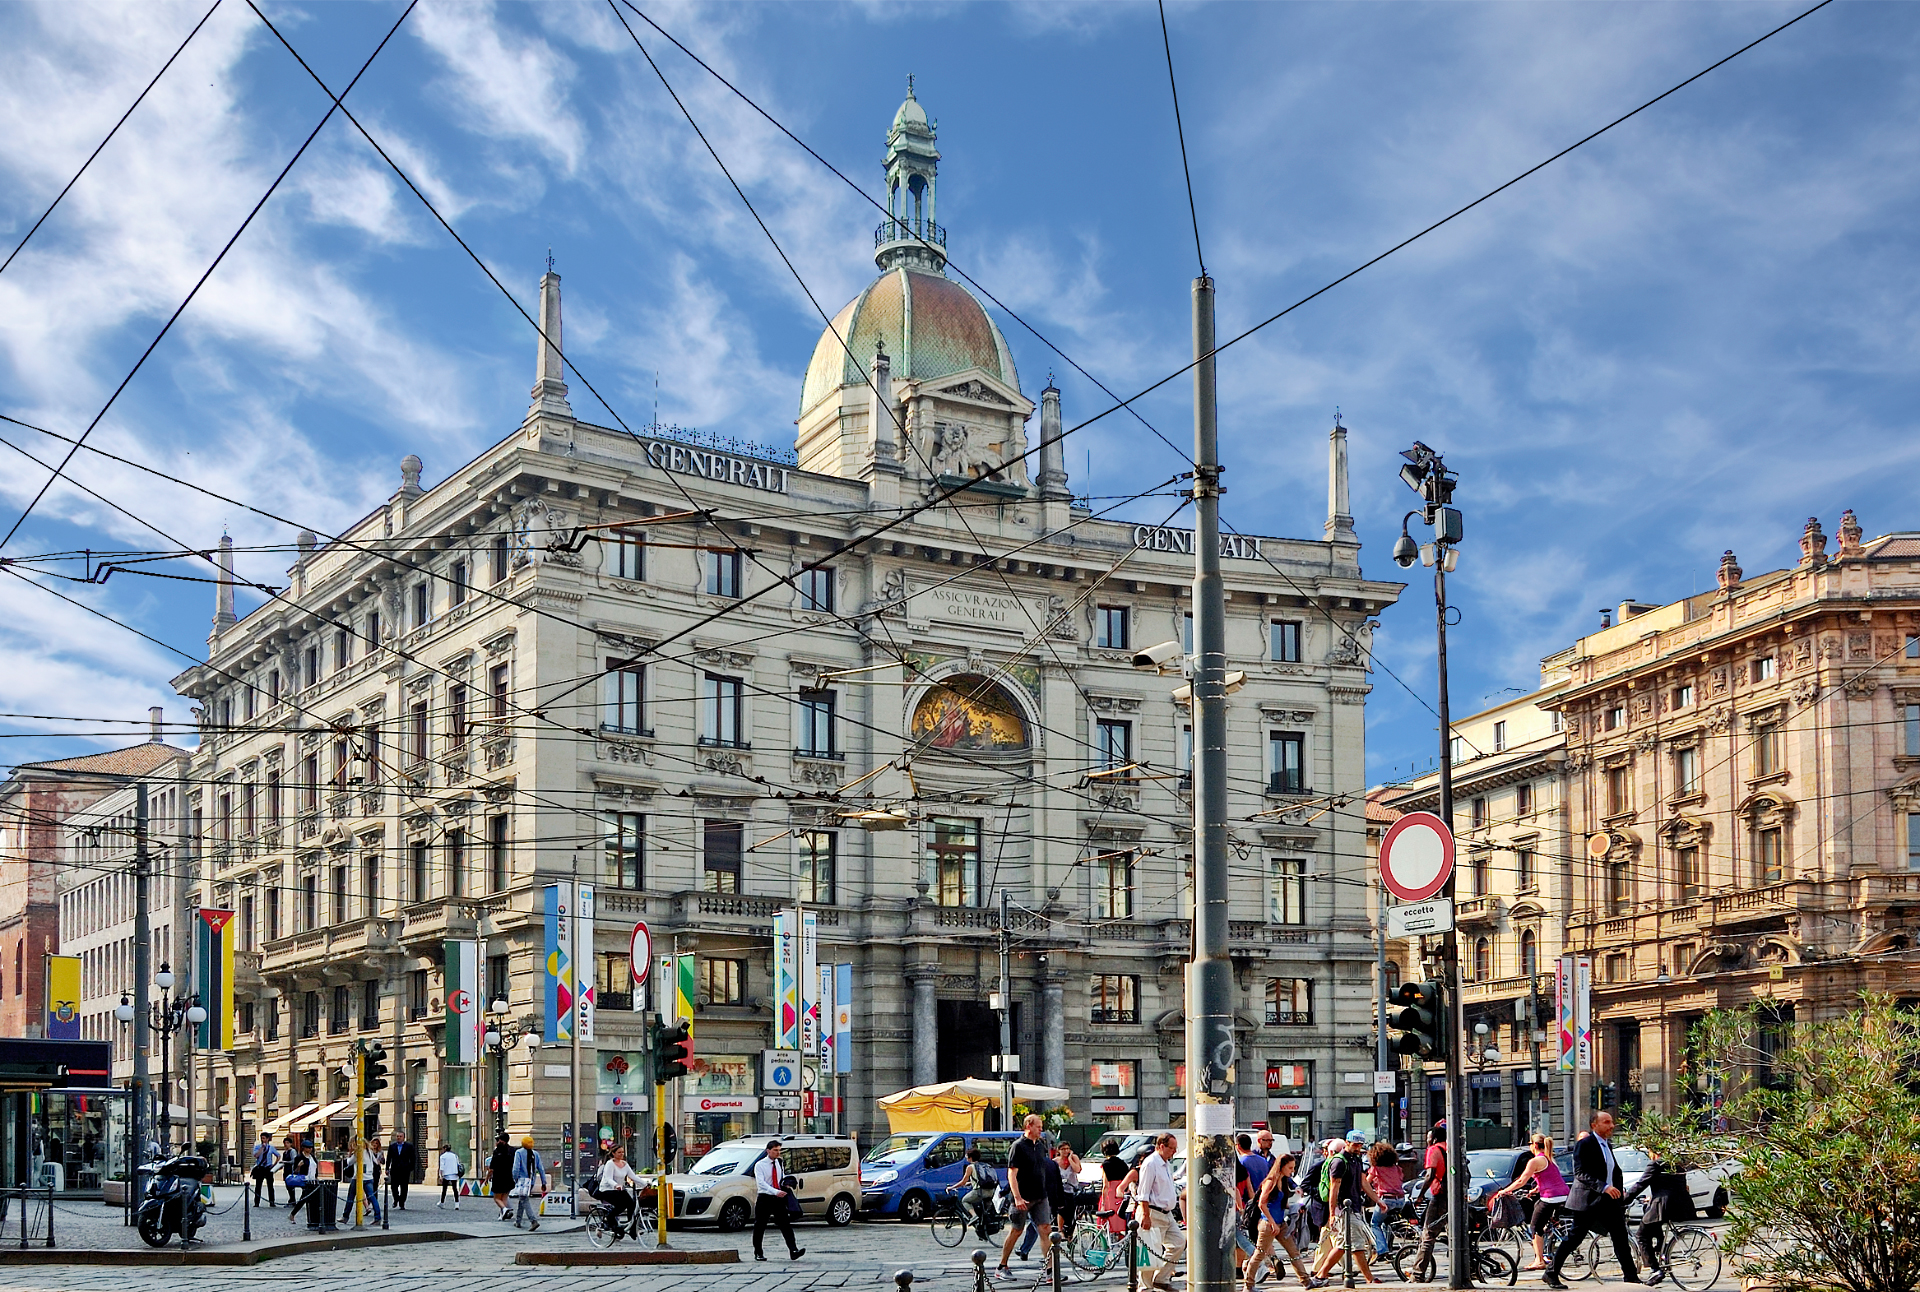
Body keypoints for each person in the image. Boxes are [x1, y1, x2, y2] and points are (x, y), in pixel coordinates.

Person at [1544, 1109, 1641, 1289]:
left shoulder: (1607, 1145)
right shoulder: (1585, 1144)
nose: (1611, 1126)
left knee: (1620, 1237)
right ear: (1594, 1125)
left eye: (1611, 1122)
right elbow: (1580, 1173)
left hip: (1609, 1202)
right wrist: (1604, 1187)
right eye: (1606, 1122)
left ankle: (1631, 1276)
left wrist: (1620, 1193)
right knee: (1574, 1238)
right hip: (1588, 1201)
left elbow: (1613, 1172)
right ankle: (1551, 1273)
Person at [1490, 1134, 1569, 1271]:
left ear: (1535, 1145)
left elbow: (1521, 1181)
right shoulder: (1549, 1158)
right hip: (1562, 1195)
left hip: (1551, 1197)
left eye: (1530, 1144)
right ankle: (1549, 1237)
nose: (1530, 1147)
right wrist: (1536, 1189)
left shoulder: (1535, 1161)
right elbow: (1550, 1178)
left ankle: (1539, 1260)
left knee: (1535, 1226)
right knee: (1538, 1209)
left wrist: (1504, 1191)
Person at [1311, 1131, 1381, 1285]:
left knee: (1343, 1245)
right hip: (1344, 1210)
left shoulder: (1356, 1160)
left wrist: (1378, 1200)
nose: (1357, 1148)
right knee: (1355, 1245)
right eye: (1355, 1144)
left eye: (1360, 1145)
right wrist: (1332, 1213)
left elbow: (1363, 1182)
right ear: (1347, 1142)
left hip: (1354, 1208)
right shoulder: (1339, 1162)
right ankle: (1369, 1278)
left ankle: (1321, 1276)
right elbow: (1333, 1188)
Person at [1621, 1148, 1696, 1284]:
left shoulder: (1655, 1164)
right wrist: (1653, 1197)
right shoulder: (1677, 1163)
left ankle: (1655, 1270)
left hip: (1664, 1205)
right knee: (1653, 1222)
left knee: (1641, 1235)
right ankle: (1661, 1248)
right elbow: (1673, 1185)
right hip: (1681, 1204)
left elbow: (1641, 1184)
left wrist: (1625, 1199)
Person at [1245, 1151, 1312, 1290]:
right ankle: (1248, 1285)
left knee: (1294, 1252)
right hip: (1268, 1224)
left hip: (1280, 1223)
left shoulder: (1283, 1181)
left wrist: (1296, 1206)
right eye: (1290, 1168)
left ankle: (1307, 1282)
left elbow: (1279, 1203)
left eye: (1293, 1168)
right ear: (1281, 1166)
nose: (1292, 1171)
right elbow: (1262, 1204)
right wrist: (1272, 1222)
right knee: (1259, 1254)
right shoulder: (1270, 1182)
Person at [998, 1115, 1055, 1279]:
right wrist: (1017, 1197)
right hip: (1023, 1197)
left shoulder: (1041, 1145)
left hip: (1040, 1195)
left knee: (1045, 1229)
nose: (1041, 1129)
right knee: (1017, 1230)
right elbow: (1011, 1174)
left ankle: (1049, 1270)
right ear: (1029, 1126)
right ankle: (1002, 1265)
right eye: (1038, 1126)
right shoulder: (1018, 1147)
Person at [1136, 1132, 1186, 1292]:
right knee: (1150, 1250)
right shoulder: (1151, 1163)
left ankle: (1161, 1278)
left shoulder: (1165, 1163)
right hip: (1152, 1212)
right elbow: (1143, 1192)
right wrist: (1145, 1215)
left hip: (1167, 1213)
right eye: (1172, 1148)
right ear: (1161, 1146)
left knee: (1179, 1242)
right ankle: (1145, 1287)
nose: (1174, 1151)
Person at [1406, 1126, 1449, 1282]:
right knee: (1457, 1235)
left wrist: (1421, 1195)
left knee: (1428, 1235)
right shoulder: (1452, 1148)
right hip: (1456, 1197)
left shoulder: (1434, 1150)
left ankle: (1417, 1274)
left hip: (1441, 1197)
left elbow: (1430, 1174)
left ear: (1435, 1138)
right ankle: (1470, 1268)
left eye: (1428, 1138)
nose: (1427, 1141)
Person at [751, 1138, 804, 1261]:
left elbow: (780, 1177)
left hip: (778, 1198)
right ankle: (758, 1252)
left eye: (779, 1150)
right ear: (768, 1151)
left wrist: (786, 1183)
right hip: (765, 1197)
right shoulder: (760, 1165)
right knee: (760, 1225)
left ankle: (793, 1250)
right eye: (775, 1150)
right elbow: (761, 1183)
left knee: (785, 1224)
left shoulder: (779, 1163)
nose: (777, 1153)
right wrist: (775, 1191)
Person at [1365, 1141, 1404, 1259]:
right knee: (1387, 1223)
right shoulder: (1397, 1168)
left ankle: (1382, 1250)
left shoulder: (1376, 1169)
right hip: (1401, 1200)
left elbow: (1366, 1183)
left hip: (1387, 1200)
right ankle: (1389, 1248)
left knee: (1375, 1224)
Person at [592, 1144, 642, 1237]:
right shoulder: (610, 1164)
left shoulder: (624, 1164)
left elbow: (633, 1177)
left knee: (631, 1204)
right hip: (607, 1189)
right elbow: (608, 1178)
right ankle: (610, 1219)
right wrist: (616, 1185)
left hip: (619, 1189)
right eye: (619, 1152)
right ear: (613, 1154)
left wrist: (646, 1184)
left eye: (622, 1152)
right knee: (621, 1205)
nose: (621, 1154)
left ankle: (632, 1228)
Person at [954, 1146, 997, 1238]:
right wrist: (971, 1183)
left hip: (980, 1192)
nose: (966, 1158)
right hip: (991, 1191)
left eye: (967, 1156)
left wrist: (952, 1187)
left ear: (970, 1157)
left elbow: (963, 1181)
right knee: (982, 1209)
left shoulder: (970, 1167)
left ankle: (974, 1216)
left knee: (965, 1200)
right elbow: (978, 1179)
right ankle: (982, 1228)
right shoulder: (984, 1165)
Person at [511, 1135, 546, 1231]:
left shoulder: (519, 1152)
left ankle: (533, 1221)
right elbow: (541, 1169)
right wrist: (544, 1182)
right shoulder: (535, 1154)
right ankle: (518, 1221)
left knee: (524, 1200)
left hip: (522, 1180)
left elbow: (516, 1168)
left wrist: (515, 1178)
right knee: (522, 1199)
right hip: (531, 1181)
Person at [1096, 1139, 1130, 1236]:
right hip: (1121, 1192)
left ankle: (1108, 1242)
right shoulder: (1123, 1163)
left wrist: (1102, 1203)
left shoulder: (1106, 1165)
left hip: (1110, 1193)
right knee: (1120, 1220)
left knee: (1108, 1220)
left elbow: (1105, 1185)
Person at [351, 1135, 384, 1223]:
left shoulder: (358, 1152)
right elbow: (376, 1162)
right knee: (372, 1197)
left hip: (359, 1178)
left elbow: (350, 1162)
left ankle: (345, 1216)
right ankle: (377, 1217)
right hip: (369, 1177)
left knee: (350, 1197)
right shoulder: (369, 1151)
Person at [486, 1133, 516, 1221]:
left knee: (497, 1198)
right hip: (509, 1177)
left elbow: (492, 1168)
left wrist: (487, 1178)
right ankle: (504, 1214)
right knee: (504, 1197)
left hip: (498, 1178)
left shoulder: (497, 1151)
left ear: (500, 1140)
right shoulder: (512, 1150)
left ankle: (504, 1209)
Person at [281, 1138, 312, 1223]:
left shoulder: (312, 1157)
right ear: (304, 1148)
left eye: (311, 1148)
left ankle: (294, 1215)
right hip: (304, 1180)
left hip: (312, 1180)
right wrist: (298, 1166)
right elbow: (295, 1171)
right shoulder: (299, 1157)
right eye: (308, 1147)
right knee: (304, 1199)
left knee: (308, 1199)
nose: (310, 1149)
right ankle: (293, 1214)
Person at [386, 1130, 417, 1210]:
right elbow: (389, 1158)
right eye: (397, 1136)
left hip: (405, 1170)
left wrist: (410, 1168)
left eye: (400, 1136)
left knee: (404, 1187)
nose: (398, 1138)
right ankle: (396, 1199)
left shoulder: (409, 1146)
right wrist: (387, 1168)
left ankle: (402, 1202)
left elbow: (413, 1158)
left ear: (404, 1137)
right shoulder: (392, 1146)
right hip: (395, 1169)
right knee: (393, 1186)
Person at [250, 1132, 279, 1207]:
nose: (263, 1140)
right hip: (260, 1168)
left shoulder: (271, 1147)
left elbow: (278, 1155)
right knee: (258, 1186)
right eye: (262, 1138)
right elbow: (256, 1155)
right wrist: (261, 1148)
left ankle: (272, 1201)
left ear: (268, 1139)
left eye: (264, 1138)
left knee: (270, 1186)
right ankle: (256, 1202)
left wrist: (274, 1165)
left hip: (268, 1168)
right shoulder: (257, 1147)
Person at [436, 1143, 463, 1209]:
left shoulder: (443, 1156)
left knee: (444, 1189)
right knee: (455, 1189)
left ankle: (442, 1202)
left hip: (446, 1174)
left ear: (444, 1149)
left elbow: (442, 1167)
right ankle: (457, 1204)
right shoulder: (454, 1155)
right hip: (454, 1173)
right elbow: (458, 1164)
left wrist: (440, 1176)